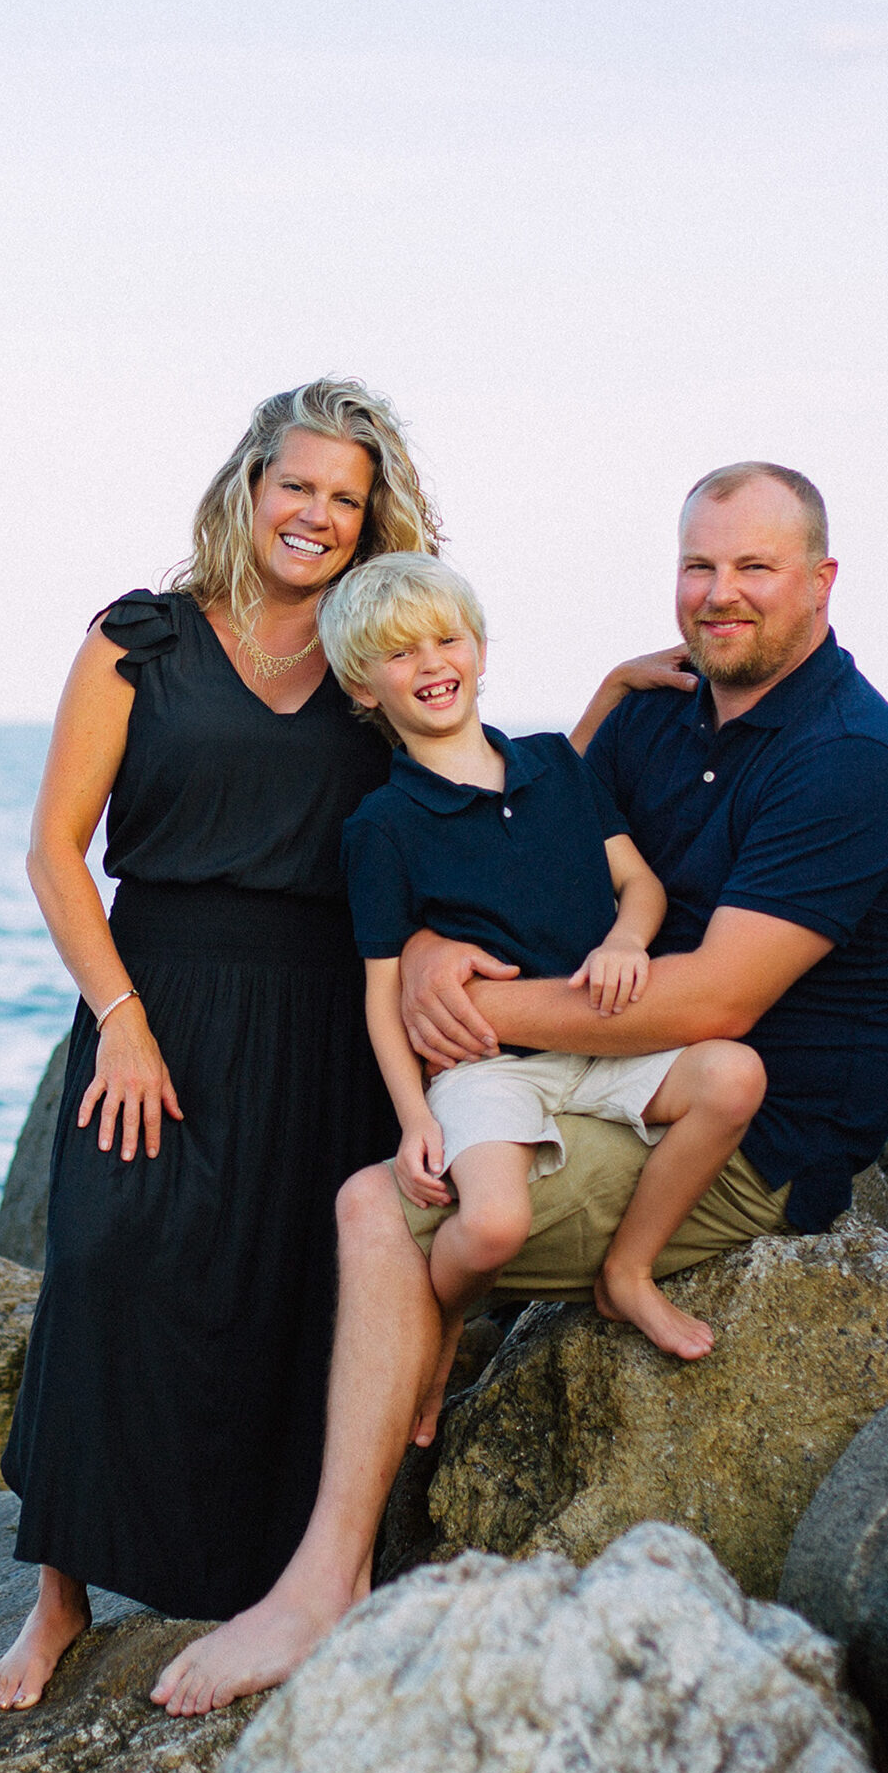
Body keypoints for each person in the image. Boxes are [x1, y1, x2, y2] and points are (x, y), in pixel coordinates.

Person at [152, 460, 888, 1718]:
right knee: (404, 1150)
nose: (719, 592)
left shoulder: (849, 759)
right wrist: (419, 943)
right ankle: (324, 1466)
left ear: (820, 581)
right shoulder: (654, 715)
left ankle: (321, 1581)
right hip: (595, 1069)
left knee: (376, 1207)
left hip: (745, 1129)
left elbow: (709, 1004)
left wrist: (454, 1005)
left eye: (753, 568)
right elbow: (518, 814)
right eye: (698, 564)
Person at [0, 379, 444, 1711]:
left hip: (325, 1016)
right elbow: (54, 851)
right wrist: (121, 1022)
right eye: (296, 485)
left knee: (290, 1294)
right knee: (106, 1253)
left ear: (372, 524)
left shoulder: (379, 659)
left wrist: (607, 704)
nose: (314, 514)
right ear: (248, 487)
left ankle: (280, 1581)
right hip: (165, 999)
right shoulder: (141, 638)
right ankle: (59, 1595)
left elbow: (471, 791)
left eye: (344, 500)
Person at [317, 553, 766, 1377]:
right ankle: (447, 1320)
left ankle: (628, 1271)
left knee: (733, 1078)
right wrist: (416, 1117)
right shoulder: (379, 826)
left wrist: (627, 941)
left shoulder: (558, 765)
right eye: (399, 653)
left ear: (480, 651)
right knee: (489, 1229)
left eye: (446, 640)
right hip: (490, 1072)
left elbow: (640, 884)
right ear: (360, 687)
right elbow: (384, 994)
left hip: (607, 1041)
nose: (430, 665)